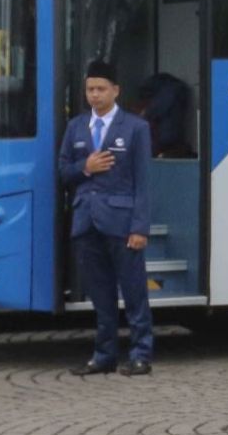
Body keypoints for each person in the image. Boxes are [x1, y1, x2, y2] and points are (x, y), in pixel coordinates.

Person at [59, 60, 156, 377]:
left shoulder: (135, 128)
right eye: (90, 89)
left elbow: (143, 181)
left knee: (134, 293)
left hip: (122, 221)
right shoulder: (75, 127)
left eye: (101, 89)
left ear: (116, 91)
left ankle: (141, 353)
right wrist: (86, 167)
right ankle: (104, 355)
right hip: (87, 221)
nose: (95, 95)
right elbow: (63, 172)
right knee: (101, 296)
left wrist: (140, 226)